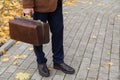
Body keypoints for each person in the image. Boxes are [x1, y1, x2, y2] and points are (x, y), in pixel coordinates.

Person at [23, 0, 75, 77]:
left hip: (56, 5)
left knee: (58, 33)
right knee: (38, 35)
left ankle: (58, 61)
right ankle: (41, 62)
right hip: (39, 7)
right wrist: (27, 5)